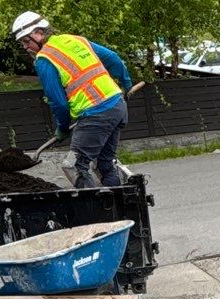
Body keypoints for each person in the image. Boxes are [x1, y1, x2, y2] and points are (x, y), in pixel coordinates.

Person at [11, 12, 132, 189]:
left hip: (96, 115)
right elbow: (113, 58)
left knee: (74, 166)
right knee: (104, 163)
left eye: (26, 41)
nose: (25, 46)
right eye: (22, 43)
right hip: (118, 106)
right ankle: (117, 202)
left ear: (39, 33)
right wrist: (126, 84)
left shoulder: (44, 59)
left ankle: (94, 205)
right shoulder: (75, 40)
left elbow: (58, 103)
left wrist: (62, 127)